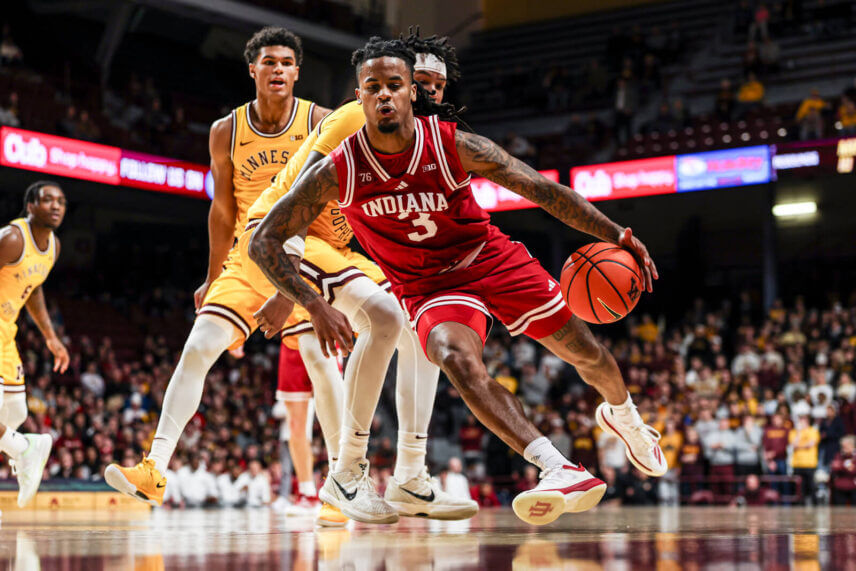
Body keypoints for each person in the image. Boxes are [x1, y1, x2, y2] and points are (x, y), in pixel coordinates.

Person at [249, 37, 666, 526]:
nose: (384, 95)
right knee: (452, 357)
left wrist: (618, 233)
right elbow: (265, 241)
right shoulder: (338, 167)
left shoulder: (452, 144)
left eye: (395, 86)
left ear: (409, 93)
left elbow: (545, 191)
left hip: (490, 259)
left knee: (585, 352)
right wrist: (311, 304)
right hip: (428, 289)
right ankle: (556, 468)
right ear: (358, 98)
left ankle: (626, 418)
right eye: (373, 87)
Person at [241, 32, 477, 525]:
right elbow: (298, 198)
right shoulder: (362, 115)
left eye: (438, 84)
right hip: (283, 232)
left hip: (342, 248)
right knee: (386, 319)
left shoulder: (426, 139)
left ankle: (410, 476)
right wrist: (291, 290)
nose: (432, 92)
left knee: (422, 325)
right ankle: (346, 473)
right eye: (425, 81)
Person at [105, 26, 327, 504]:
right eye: (269, 62)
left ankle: (345, 482)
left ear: (297, 72)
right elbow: (222, 209)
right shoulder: (226, 130)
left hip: (307, 256)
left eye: (287, 63)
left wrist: (288, 293)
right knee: (197, 347)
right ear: (253, 69)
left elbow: (322, 206)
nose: (278, 70)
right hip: (248, 258)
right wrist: (211, 277)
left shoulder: (317, 121)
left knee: (321, 367)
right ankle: (154, 468)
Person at [0, 180, 67, 507]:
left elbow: (33, 286)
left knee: (14, 412)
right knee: (10, 428)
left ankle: (20, 447)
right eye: (48, 200)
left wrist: (51, 337)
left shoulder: (52, 247)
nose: (56, 205)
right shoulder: (12, 238)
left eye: (61, 201)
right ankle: (22, 448)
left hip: (6, 330)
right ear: (30, 206)